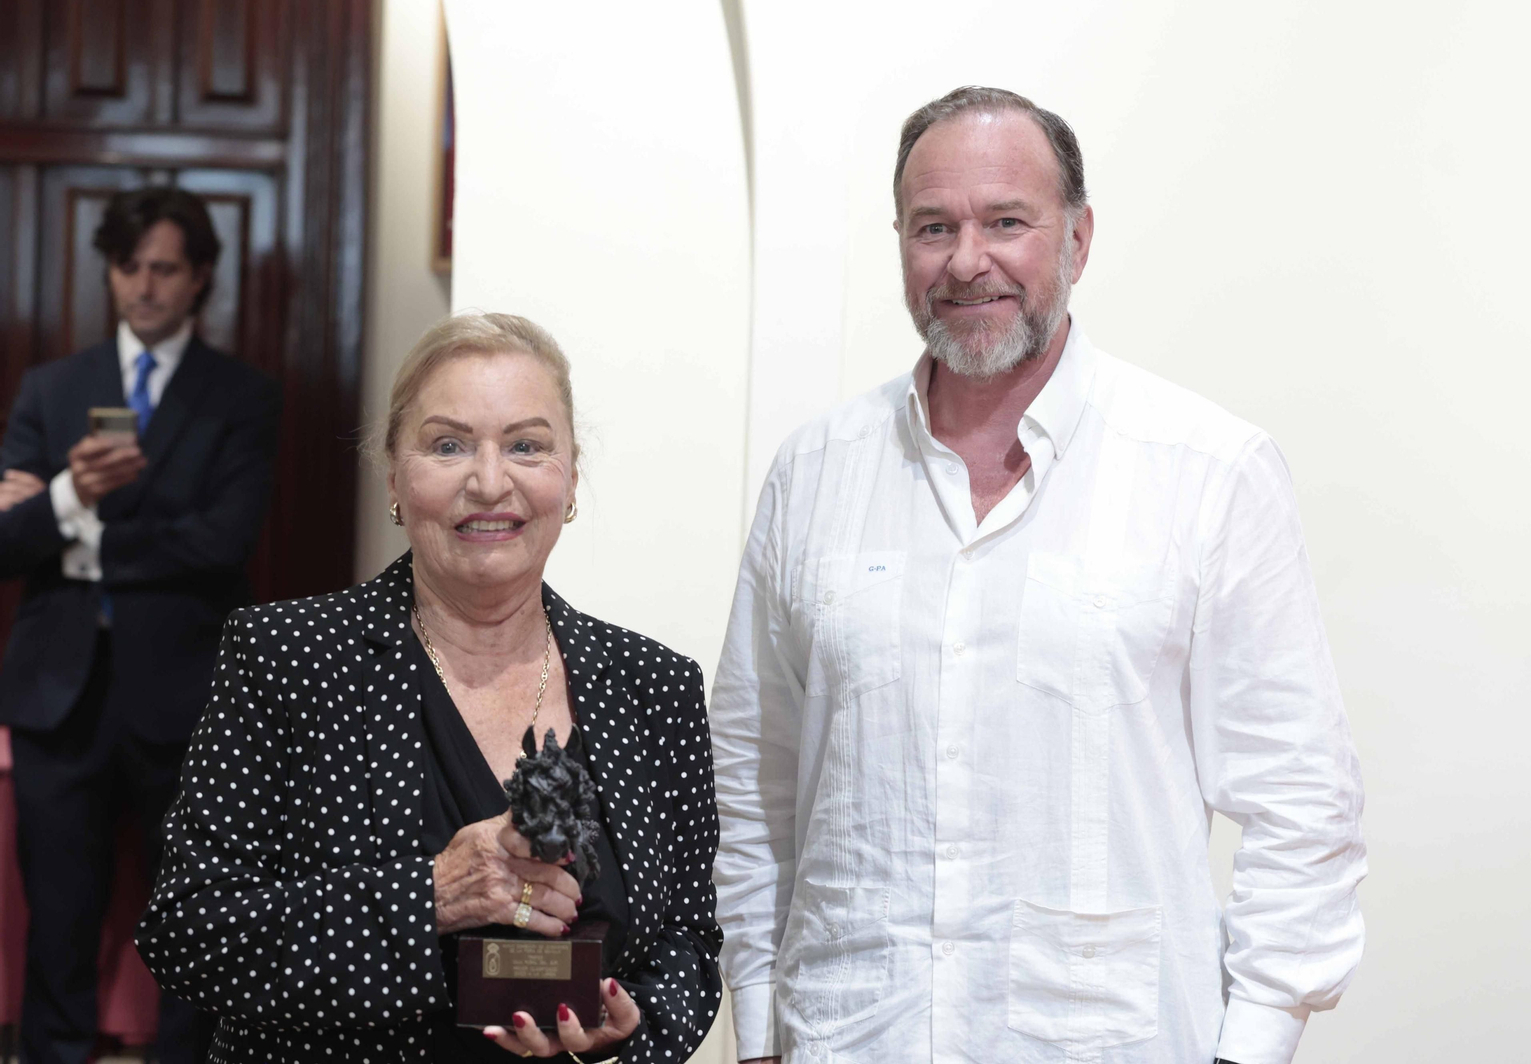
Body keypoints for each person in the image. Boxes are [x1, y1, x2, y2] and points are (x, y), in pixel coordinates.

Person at [710, 86, 1367, 1064]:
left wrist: (1254, 1040)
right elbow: (752, 783)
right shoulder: (813, 476)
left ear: (1078, 238)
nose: (967, 260)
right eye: (934, 226)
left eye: (1006, 221)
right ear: (900, 242)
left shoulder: (1205, 470)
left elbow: (1301, 795)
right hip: (852, 1036)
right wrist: (758, 1028)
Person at [135, 312, 723, 1062]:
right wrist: (430, 896)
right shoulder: (286, 658)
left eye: (526, 446)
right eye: (448, 445)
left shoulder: (655, 688)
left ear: (570, 478)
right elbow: (190, 932)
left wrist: (630, 1036)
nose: (488, 480)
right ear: (394, 476)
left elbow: (689, 942)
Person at [0, 186, 280, 1064]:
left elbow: (222, 542)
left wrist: (70, 521)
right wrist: (67, 497)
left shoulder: (243, 395)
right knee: (59, 916)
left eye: (163, 268)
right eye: (129, 268)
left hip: (188, 695)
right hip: (58, 690)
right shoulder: (51, 388)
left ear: (199, 278)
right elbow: (4, 543)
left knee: (196, 915)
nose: (143, 287)